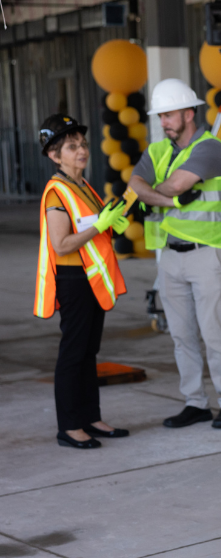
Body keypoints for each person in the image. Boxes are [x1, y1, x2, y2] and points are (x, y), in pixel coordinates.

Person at [128, 78, 221, 430]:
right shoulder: (158, 150)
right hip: (170, 256)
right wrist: (168, 200)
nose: (162, 122)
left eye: (169, 115)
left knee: (213, 332)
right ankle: (195, 402)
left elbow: (175, 184)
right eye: (160, 116)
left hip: (206, 254)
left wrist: (154, 194)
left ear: (189, 113)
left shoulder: (212, 149)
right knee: (181, 335)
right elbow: (136, 185)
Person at [34, 114, 130, 449]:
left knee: (89, 351)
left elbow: (94, 228)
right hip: (74, 280)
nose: (82, 151)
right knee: (73, 353)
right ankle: (70, 426)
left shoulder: (83, 186)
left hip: (90, 279)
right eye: (72, 146)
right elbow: (61, 245)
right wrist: (99, 226)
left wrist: (110, 223)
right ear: (54, 155)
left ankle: (91, 417)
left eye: (83, 144)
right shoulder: (57, 191)